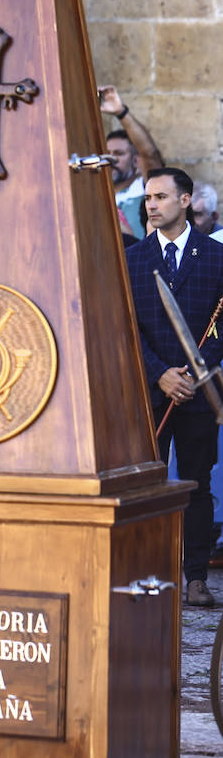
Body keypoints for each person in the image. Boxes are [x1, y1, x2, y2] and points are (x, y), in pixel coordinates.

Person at [126, 167, 223, 608]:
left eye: (161, 197)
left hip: (199, 392)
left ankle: (196, 577)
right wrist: (159, 373)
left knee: (198, 484)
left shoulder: (217, 257)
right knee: (145, 484)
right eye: (149, 197)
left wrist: (198, 371)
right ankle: (146, 573)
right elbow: (124, 327)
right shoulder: (132, 259)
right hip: (150, 392)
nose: (152, 204)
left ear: (185, 201)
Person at [99, 85, 163, 239]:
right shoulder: (97, 192)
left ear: (135, 161)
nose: (111, 158)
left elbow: (150, 153)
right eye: (107, 153)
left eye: (119, 154)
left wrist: (121, 112)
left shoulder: (145, 187)